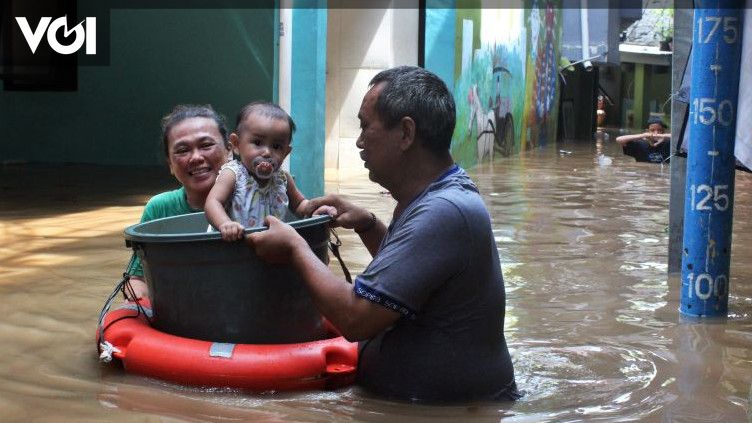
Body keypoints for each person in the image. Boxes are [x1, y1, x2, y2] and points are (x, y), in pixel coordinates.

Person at [246, 66, 519, 402]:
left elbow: (356, 317)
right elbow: (413, 277)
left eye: (365, 126)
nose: (359, 141)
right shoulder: (436, 196)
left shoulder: (444, 211)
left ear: (405, 133)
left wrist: (294, 246)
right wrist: (368, 225)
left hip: (445, 412)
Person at [124, 104, 232, 300]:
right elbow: (138, 278)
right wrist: (137, 306)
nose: (196, 157)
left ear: (230, 151)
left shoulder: (256, 200)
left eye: (206, 145)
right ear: (170, 166)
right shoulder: (160, 208)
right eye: (182, 150)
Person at [204, 102, 330, 241]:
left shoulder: (282, 178)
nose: (267, 152)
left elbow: (300, 205)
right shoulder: (233, 174)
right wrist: (225, 224)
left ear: (286, 153)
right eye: (257, 143)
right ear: (236, 144)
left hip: (272, 247)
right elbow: (213, 202)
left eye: (276, 146)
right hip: (233, 245)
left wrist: (316, 210)